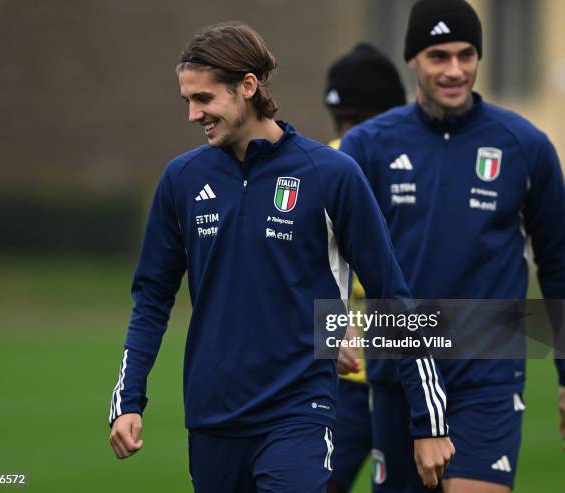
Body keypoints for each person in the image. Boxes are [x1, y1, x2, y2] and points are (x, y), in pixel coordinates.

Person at [107, 21, 454, 493]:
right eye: (187, 100)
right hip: (212, 418)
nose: (193, 114)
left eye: (204, 99)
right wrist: (128, 400)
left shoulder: (331, 175)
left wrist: (428, 420)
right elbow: (151, 300)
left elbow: (393, 296)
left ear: (247, 87)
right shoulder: (181, 180)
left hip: (299, 414)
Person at [339, 1, 565, 492]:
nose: (456, 70)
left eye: (467, 54)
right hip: (398, 365)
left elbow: (558, 262)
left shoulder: (525, 145)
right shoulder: (367, 146)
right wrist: (334, 328)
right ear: (413, 60)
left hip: (490, 368)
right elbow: (323, 253)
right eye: (439, 56)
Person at [323, 43, 407, 493]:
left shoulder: (320, 163)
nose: (347, 136)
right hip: (377, 374)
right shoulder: (401, 164)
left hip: (347, 374)